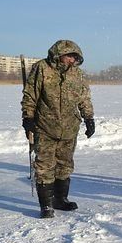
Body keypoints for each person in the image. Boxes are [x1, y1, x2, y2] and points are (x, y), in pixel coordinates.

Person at [21, 40, 95, 219]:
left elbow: (84, 98)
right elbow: (30, 95)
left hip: (69, 128)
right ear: (59, 54)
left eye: (75, 57)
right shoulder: (42, 69)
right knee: (44, 166)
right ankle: (46, 205)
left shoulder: (77, 74)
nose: (72, 60)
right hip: (45, 127)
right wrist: (28, 118)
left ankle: (60, 199)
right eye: (69, 56)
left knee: (65, 165)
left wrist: (89, 118)